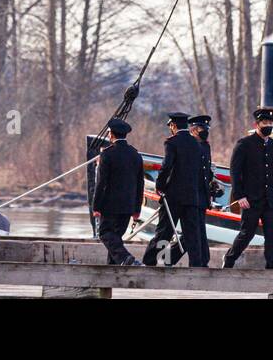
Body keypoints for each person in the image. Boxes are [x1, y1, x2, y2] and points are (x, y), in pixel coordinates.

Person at [222, 107, 273, 270]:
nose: (268, 125)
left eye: (271, 122)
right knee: (246, 233)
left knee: (272, 235)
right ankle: (229, 259)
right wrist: (240, 195)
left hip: (270, 199)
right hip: (251, 199)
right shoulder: (244, 144)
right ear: (256, 124)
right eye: (265, 122)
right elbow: (235, 172)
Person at [141, 111, 206, 267]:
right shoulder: (196, 144)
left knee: (164, 231)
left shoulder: (172, 142)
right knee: (192, 234)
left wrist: (160, 186)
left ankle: (150, 262)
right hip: (192, 196)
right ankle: (196, 265)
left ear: (173, 125)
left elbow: (166, 167)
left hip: (174, 196)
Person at [91, 117, 144, 265]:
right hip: (128, 205)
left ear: (111, 134)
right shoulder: (135, 155)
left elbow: (101, 183)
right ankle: (112, 271)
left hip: (110, 205)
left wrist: (96, 206)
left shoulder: (107, 154)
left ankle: (125, 258)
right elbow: (140, 184)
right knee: (116, 238)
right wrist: (137, 208)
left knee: (105, 234)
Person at [165, 113, 216, 265]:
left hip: (201, 195)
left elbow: (206, 172)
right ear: (193, 129)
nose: (204, 131)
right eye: (201, 128)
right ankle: (200, 261)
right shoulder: (190, 146)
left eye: (206, 128)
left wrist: (212, 187)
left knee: (194, 232)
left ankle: (170, 259)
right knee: (193, 232)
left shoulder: (205, 146)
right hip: (190, 194)